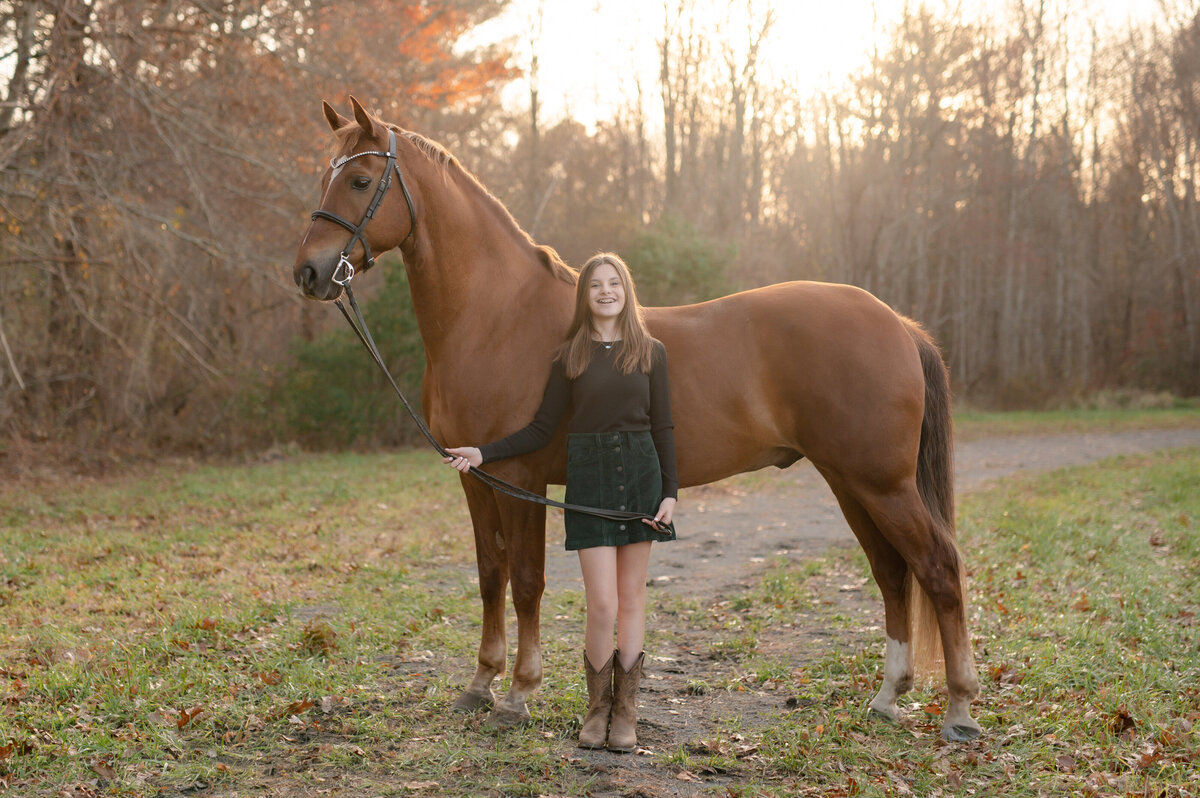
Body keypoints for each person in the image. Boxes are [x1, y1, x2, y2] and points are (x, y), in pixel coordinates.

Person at [443, 252, 678, 753]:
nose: (606, 292)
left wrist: (670, 492)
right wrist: (483, 453)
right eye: (596, 285)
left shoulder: (651, 352)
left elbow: (664, 428)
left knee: (633, 601)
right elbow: (542, 430)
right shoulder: (569, 356)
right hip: (588, 477)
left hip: (639, 475)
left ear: (626, 290)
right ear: (585, 296)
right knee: (602, 604)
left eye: (614, 283)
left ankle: (625, 714)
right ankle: (596, 710)